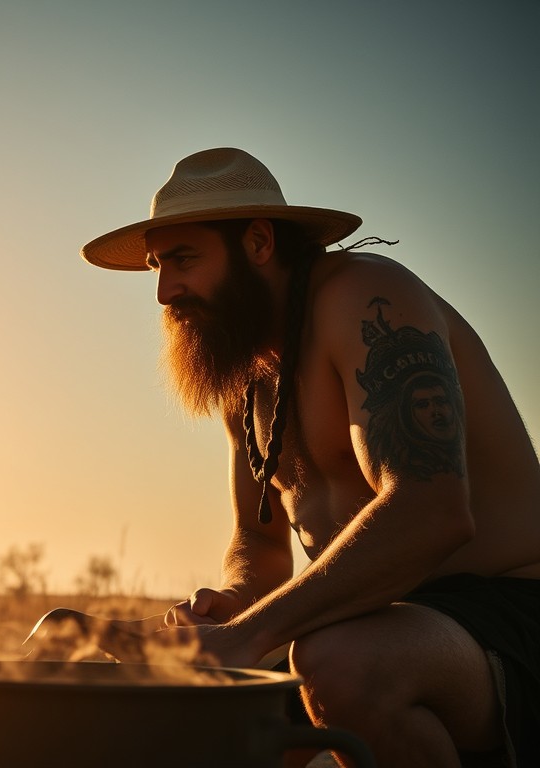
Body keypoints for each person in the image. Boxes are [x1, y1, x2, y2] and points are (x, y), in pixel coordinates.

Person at [80, 148, 540, 767]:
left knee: (338, 664)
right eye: (160, 265)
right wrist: (231, 605)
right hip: (379, 621)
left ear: (260, 242)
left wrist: (249, 637)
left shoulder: (365, 297)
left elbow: (431, 510)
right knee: (190, 729)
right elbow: (260, 544)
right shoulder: (247, 372)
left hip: (511, 615)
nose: (165, 291)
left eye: (184, 259)